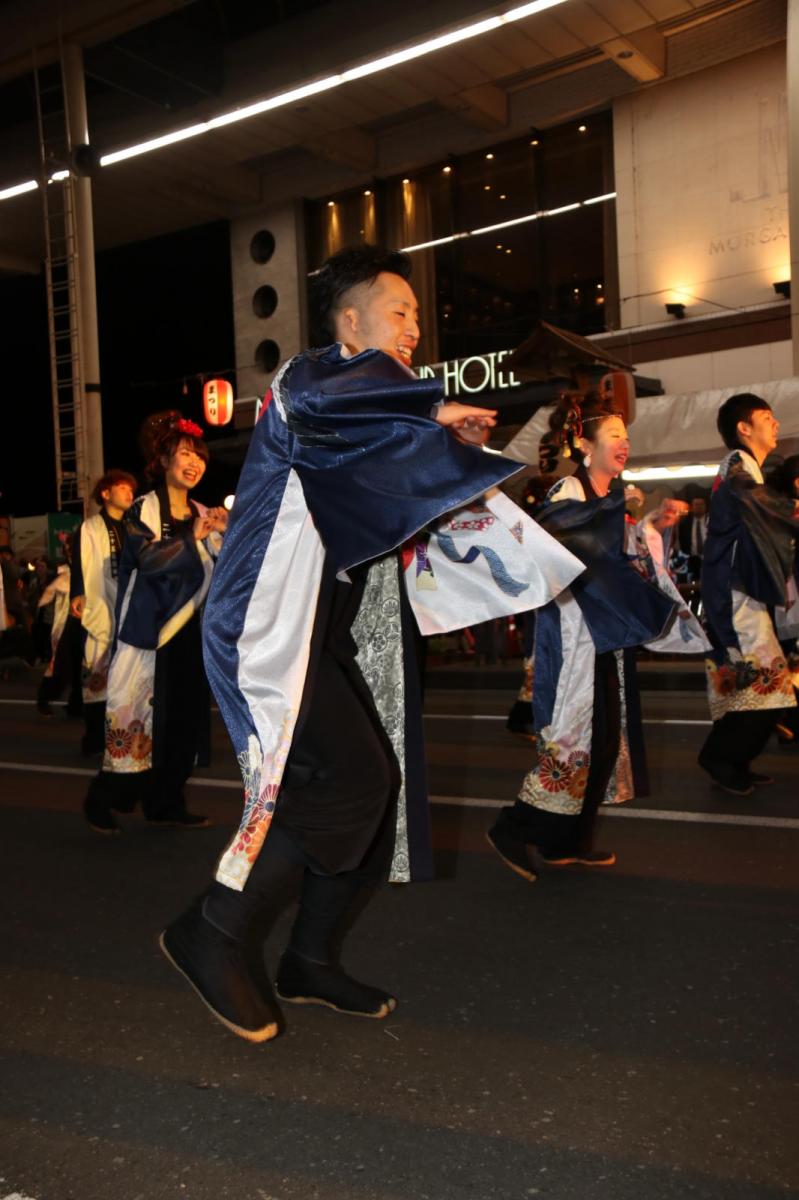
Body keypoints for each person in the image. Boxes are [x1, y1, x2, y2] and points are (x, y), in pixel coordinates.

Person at [160, 243, 585, 1044]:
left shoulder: (367, 420)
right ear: (348, 323)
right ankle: (211, 929)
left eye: (418, 317)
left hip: (317, 627)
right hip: (260, 622)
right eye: (400, 313)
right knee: (350, 779)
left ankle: (309, 959)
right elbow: (345, 406)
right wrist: (428, 413)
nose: (414, 329)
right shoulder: (302, 384)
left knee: (373, 784)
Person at [487, 392, 710, 881]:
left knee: (607, 739)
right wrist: (616, 508)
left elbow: (623, 559)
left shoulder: (611, 498)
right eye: (614, 436)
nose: (624, 445)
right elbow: (559, 541)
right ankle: (514, 826)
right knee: (572, 737)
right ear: (584, 444)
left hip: (607, 634)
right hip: (575, 634)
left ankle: (567, 840)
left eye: (626, 437)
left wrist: (653, 525)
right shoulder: (569, 492)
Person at [82, 413, 226, 834]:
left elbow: (224, 572)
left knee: (184, 722)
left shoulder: (203, 511)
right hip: (149, 635)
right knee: (138, 721)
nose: (194, 463)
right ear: (163, 460)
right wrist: (191, 538)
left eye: (199, 456)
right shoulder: (143, 508)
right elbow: (146, 560)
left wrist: (227, 533)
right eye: (185, 454)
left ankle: (166, 801)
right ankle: (103, 797)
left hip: (190, 634)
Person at [698, 396, 799, 794]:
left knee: (761, 686)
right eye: (767, 418)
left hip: (741, 590)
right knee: (768, 684)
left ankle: (733, 761)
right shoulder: (738, 465)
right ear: (744, 428)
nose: (776, 425)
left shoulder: (749, 468)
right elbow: (759, 506)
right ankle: (720, 759)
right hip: (733, 593)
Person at [70, 469, 136, 754]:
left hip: (130, 606)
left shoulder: (136, 527)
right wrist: (78, 593)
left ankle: (122, 737)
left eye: (131, 489)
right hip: (100, 604)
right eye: (122, 487)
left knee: (129, 678)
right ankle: (94, 737)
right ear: (106, 493)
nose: (128, 493)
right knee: (97, 672)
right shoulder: (90, 527)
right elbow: (80, 562)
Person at [767, 453, 799, 744]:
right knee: (793, 660)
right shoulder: (785, 511)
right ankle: (787, 720)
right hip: (790, 595)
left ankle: (786, 720)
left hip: (788, 594)